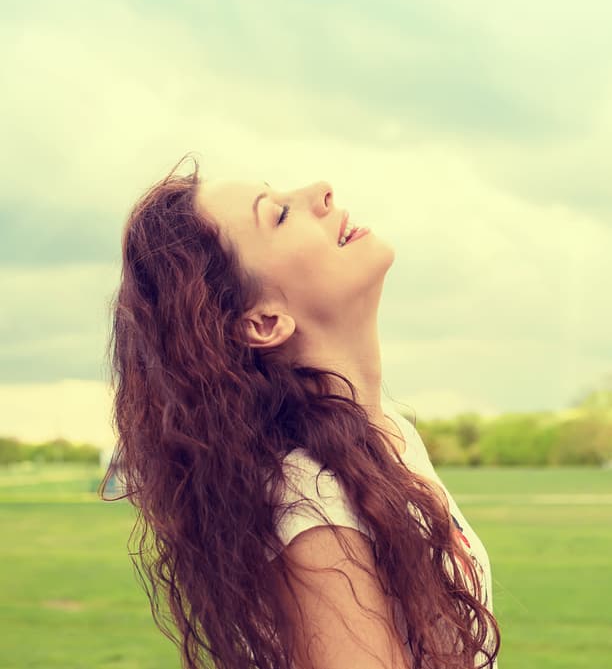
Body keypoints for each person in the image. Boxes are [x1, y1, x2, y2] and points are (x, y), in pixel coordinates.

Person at [101, 154, 500, 669]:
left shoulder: (386, 432)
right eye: (280, 215)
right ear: (265, 321)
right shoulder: (315, 507)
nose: (321, 190)